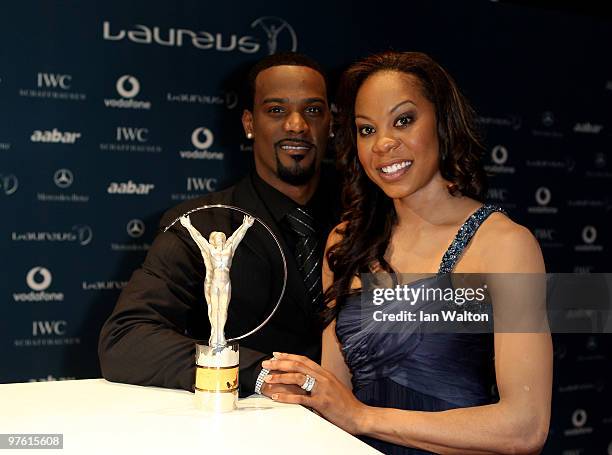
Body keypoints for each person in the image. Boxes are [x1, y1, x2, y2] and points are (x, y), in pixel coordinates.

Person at [260, 51, 552, 454]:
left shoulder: (504, 246)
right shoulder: (345, 243)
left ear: (443, 122)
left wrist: (363, 416)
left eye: (403, 120)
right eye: (366, 130)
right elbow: (335, 398)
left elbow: (525, 426)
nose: (383, 144)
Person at [98, 52, 338, 397]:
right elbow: (125, 338)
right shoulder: (201, 222)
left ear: (331, 122)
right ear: (249, 123)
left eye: (313, 110)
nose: (296, 125)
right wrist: (258, 374)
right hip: (252, 428)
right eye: (276, 110)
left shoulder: (370, 218)